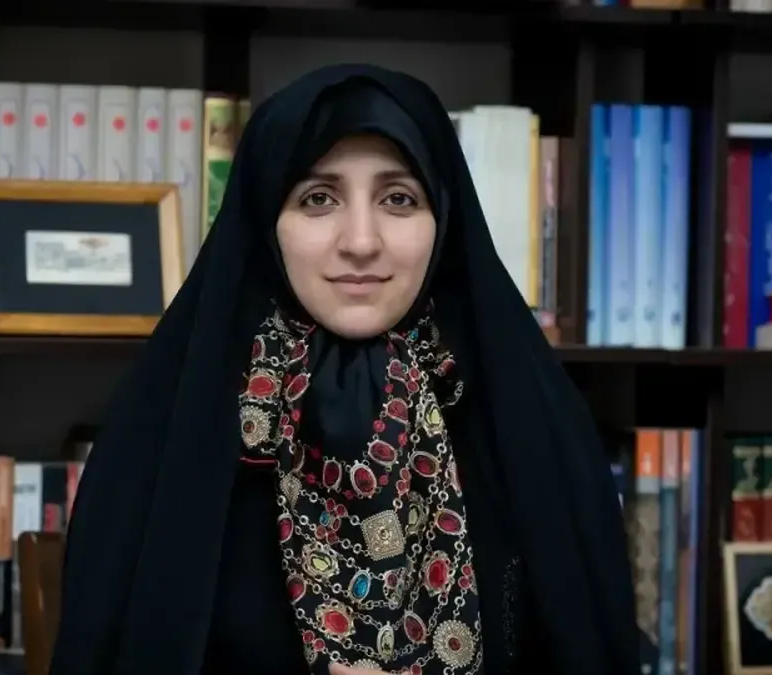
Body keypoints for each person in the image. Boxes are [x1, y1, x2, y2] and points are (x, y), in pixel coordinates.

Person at [49, 64, 639, 675]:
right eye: (318, 199)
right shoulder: (170, 429)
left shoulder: (528, 424)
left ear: (445, 218)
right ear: (265, 218)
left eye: (399, 199)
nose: (360, 241)